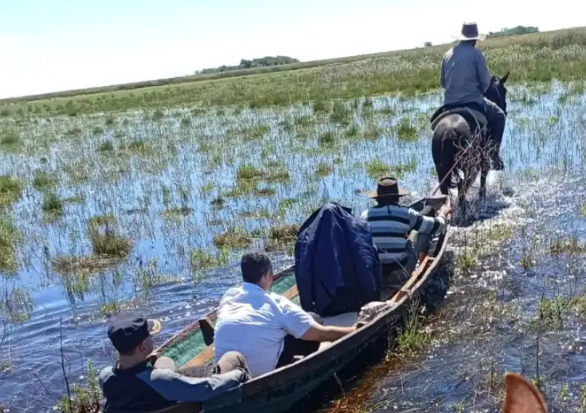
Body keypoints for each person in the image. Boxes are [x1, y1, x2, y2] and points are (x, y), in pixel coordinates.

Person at [213, 250, 358, 377]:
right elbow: (321, 334)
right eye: (271, 273)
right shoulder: (274, 302)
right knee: (314, 319)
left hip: (227, 373)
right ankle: (299, 372)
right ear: (265, 275)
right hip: (263, 372)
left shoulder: (229, 295)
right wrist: (355, 330)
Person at [99, 312, 249, 413]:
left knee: (164, 361)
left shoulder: (105, 377)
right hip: (172, 392)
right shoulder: (158, 380)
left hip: (152, 397)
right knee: (234, 357)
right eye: (150, 336)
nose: (154, 338)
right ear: (143, 347)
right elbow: (207, 388)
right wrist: (238, 374)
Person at [440, 22, 506, 170]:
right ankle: (494, 155)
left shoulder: (447, 55)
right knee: (500, 116)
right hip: (472, 101)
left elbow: (443, 83)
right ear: (475, 40)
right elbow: (486, 83)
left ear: (461, 38)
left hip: (449, 105)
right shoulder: (477, 54)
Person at [360, 177, 449, 283]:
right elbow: (436, 226)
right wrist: (443, 214)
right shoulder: (406, 213)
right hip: (400, 273)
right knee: (424, 231)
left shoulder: (364, 215)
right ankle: (421, 267)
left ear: (377, 198)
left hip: (375, 274)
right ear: (397, 198)